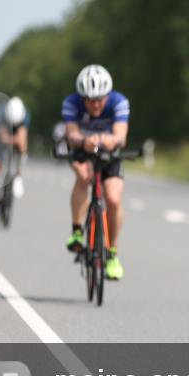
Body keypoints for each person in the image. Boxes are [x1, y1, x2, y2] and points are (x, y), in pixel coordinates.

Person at [61, 65, 130, 280]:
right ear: (81, 98)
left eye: (99, 99)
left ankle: (112, 254)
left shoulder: (119, 102)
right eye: (89, 100)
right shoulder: (71, 103)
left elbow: (121, 136)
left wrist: (110, 140)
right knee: (83, 177)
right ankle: (77, 231)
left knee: (113, 198)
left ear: (107, 95)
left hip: (109, 153)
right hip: (82, 149)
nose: (95, 104)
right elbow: (72, 134)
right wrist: (84, 141)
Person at [0, 97, 29, 222]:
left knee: (22, 145)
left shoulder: (25, 116)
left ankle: (18, 174)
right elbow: (2, 138)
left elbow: (22, 137)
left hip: (17, 130)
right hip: (4, 129)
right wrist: (10, 139)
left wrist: (16, 141)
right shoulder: (0, 115)